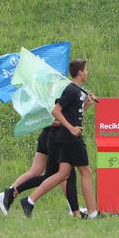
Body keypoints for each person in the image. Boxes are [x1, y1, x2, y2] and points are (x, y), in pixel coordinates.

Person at [18, 59, 98, 219]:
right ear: (80, 72)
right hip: (71, 138)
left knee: (62, 174)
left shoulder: (77, 91)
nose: (87, 72)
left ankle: (29, 200)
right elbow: (56, 110)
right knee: (86, 172)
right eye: (86, 70)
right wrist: (71, 128)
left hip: (67, 138)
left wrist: (87, 104)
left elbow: (75, 113)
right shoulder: (72, 90)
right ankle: (93, 213)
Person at [0, 122, 87, 217]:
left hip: (45, 136)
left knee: (37, 172)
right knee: (64, 174)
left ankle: (8, 193)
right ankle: (74, 210)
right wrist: (70, 126)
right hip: (55, 137)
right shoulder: (58, 108)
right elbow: (53, 119)